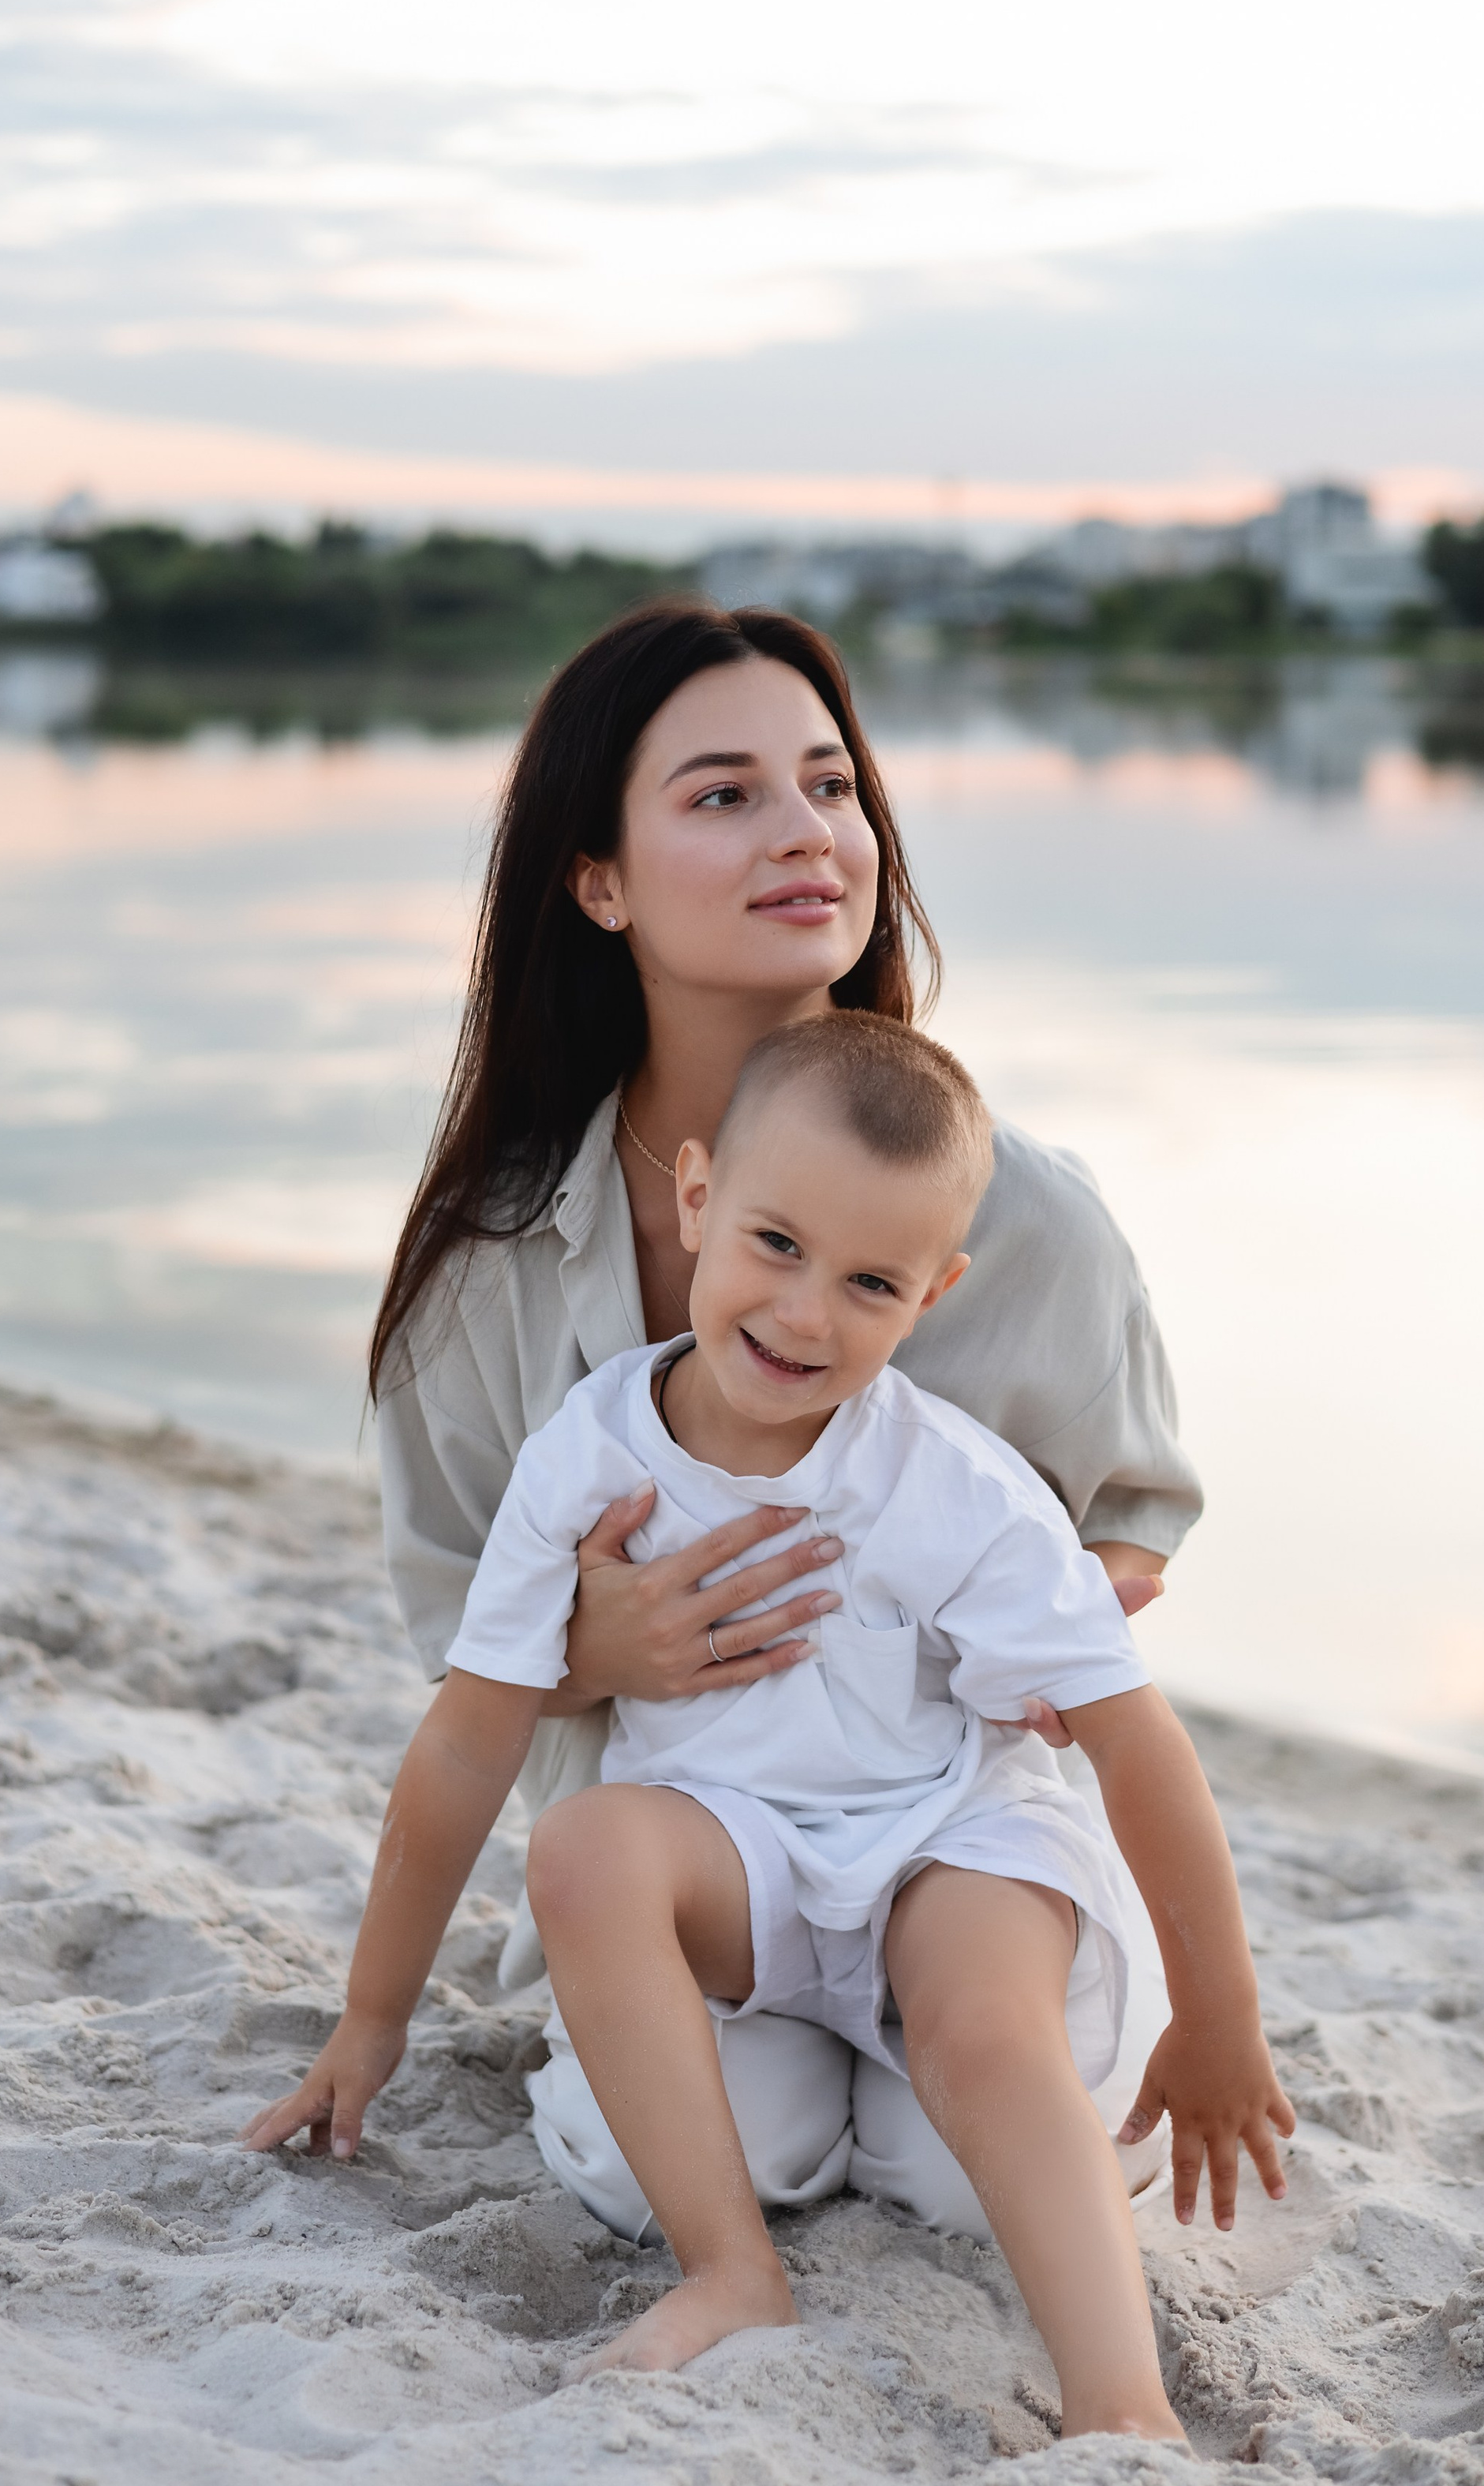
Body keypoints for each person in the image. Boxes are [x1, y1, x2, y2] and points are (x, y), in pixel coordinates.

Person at [249, 597, 1206, 2234]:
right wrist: (604, 1648)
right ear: (595, 877)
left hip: (949, 1846)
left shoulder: (1025, 1216)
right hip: (679, 1866)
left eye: (830, 786)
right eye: (723, 794)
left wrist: (1007, 1609)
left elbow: (1126, 1526)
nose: (805, 834)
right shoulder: (480, 1266)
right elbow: (452, 1645)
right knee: (681, 2177)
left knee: (957, 2178)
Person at [338, 1010, 1291, 2434]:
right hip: (740, 1859)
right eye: (776, 1246)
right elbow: (472, 1741)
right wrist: (372, 2016)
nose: (803, 1315)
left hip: (944, 1839)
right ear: (699, 1198)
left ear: (935, 1295)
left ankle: (1119, 2401)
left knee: (980, 2025)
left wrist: (1223, 2024)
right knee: (592, 1847)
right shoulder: (591, 1457)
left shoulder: (960, 1488)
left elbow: (1140, 1743)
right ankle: (733, 2273)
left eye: (869, 1282)